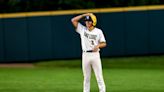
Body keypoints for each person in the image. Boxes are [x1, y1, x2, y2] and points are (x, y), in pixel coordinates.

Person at [71, 13, 107, 92]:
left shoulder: (98, 31)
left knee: (99, 77)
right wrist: (84, 15)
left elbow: (104, 43)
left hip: (95, 55)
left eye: (89, 21)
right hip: (85, 55)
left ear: (93, 22)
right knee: (86, 77)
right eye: (86, 21)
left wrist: (98, 46)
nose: (87, 22)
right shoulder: (82, 29)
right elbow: (73, 20)